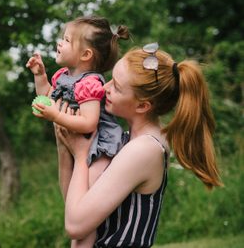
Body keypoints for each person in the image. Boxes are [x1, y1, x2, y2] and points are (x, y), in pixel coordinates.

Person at [56, 43, 222, 248]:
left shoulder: (144, 150)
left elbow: (75, 226)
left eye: (115, 86)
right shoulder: (125, 141)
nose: (103, 88)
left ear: (143, 105)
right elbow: (74, 208)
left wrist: (81, 157)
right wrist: (65, 147)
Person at [26, 15, 129, 247]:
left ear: (85, 55)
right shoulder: (63, 77)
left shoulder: (90, 83)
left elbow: (89, 123)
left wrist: (56, 116)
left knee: (84, 212)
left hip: (98, 149)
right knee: (71, 204)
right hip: (74, 148)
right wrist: (40, 76)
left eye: (67, 40)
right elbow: (49, 97)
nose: (59, 43)